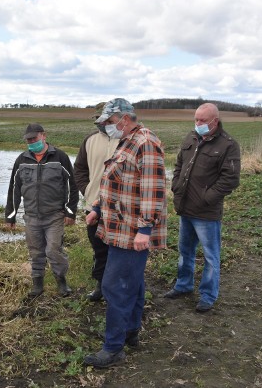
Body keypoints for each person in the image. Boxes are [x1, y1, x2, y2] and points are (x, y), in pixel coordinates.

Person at [83, 98, 167, 368]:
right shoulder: (127, 141)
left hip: (132, 232)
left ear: (124, 118)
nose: (107, 127)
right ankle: (129, 332)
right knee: (133, 283)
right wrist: (97, 207)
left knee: (114, 286)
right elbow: (115, 182)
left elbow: (153, 190)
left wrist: (145, 229)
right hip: (117, 227)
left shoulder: (146, 142)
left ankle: (113, 347)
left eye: (109, 122)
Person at [163, 102, 241, 313]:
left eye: (202, 120)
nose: (198, 123)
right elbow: (179, 164)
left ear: (215, 121)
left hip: (206, 213)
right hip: (185, 207)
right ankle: (183, 285)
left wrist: (207, 197)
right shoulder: (191, 138)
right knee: (184, 251)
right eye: (196, 119)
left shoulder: (228, 145)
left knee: (210, 256)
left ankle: (208, 295)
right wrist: (176, 185)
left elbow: (230, 179)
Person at [5, 123, 79, 298]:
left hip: (54, 215)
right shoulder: (21, 160)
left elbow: (72, 186)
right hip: (31, 217)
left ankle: (62, 282)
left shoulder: (59, 157)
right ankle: (37, 285)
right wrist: (10, 215)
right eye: (28, 140)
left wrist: (70, 212)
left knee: (53, 250)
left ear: (43, 136)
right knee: (36, 252)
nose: (31, 142)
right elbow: (14, 188)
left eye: (34, 138)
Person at [73, 103, 120, 301]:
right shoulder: (90, 140)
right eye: (100, 119)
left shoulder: (130, 140)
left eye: (108, 120)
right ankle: (101, 286)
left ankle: (118, 289)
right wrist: (88, 192)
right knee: (99, 248)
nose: (103, 123)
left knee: (119, 250)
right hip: (93, 207)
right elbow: (80, 169)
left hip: (121, 208)